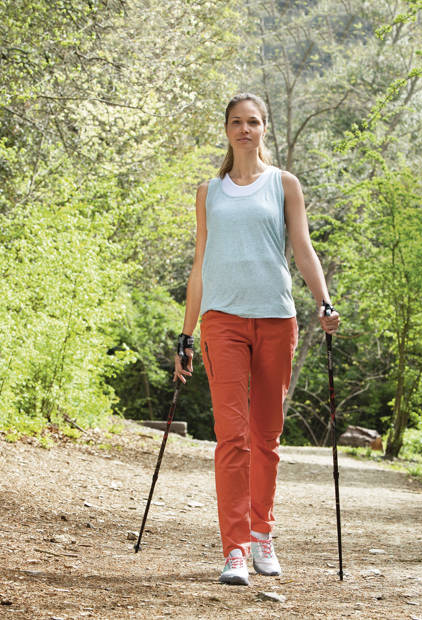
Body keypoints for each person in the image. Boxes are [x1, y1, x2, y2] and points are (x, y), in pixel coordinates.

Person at [173, 93, 340, 586]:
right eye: (236, 122)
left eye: (253, 122)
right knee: (233, 438)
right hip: (221, 321)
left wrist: (324, 302)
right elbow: (199, 265)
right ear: (226, 129)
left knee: (265, 438)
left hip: (275, 319)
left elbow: (304, 250)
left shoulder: (284, 185)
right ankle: (235, 550)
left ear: (265, 128)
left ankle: (263, 534)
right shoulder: (210, 192)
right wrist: (187, 332)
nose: (245, 129)